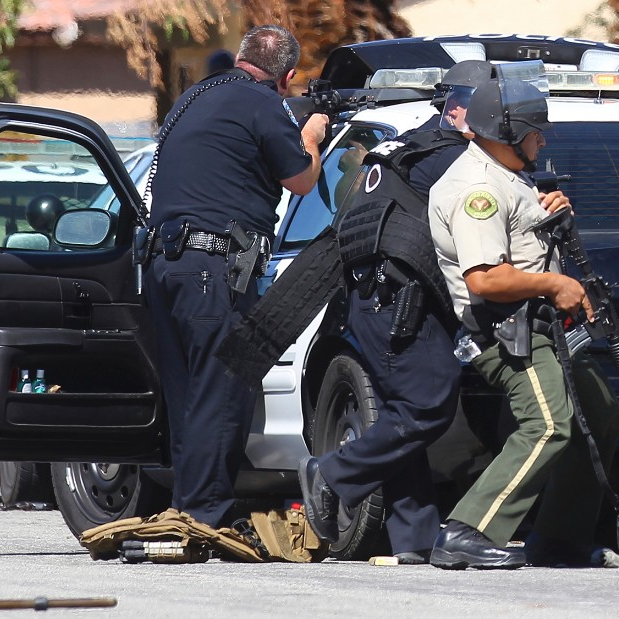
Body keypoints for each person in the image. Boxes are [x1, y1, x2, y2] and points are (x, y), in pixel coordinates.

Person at [298, 60, 496, 565]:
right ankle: (333, 474)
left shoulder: (402, 146)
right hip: (405, 304)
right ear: (457, 109)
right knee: (425, 407)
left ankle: (414, 537)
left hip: (373, 300)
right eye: (488, 110)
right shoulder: (452, 159)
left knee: (400, 412)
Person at [426, 77, 619, 570]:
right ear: (506, 130)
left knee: (598, 412)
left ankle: (560, 539)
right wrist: (556, 286)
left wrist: (549, 211)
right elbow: (485, 279)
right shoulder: (478, 189)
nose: (543, 139)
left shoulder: (505, 174)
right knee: (549, 424)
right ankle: (466, 530)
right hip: (506, 332)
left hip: (540, 327)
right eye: (536, 130)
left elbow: (521, 241)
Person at [143, 25, 328, 530]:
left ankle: (186, 504)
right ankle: (204, 515)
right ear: (286, 77)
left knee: (189, 394)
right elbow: (303, 180)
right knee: (221, 389)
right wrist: (310, 135)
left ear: (242, 57)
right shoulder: (262, 103)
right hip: (212, 268)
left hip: (166, 264)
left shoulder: (193, 98)